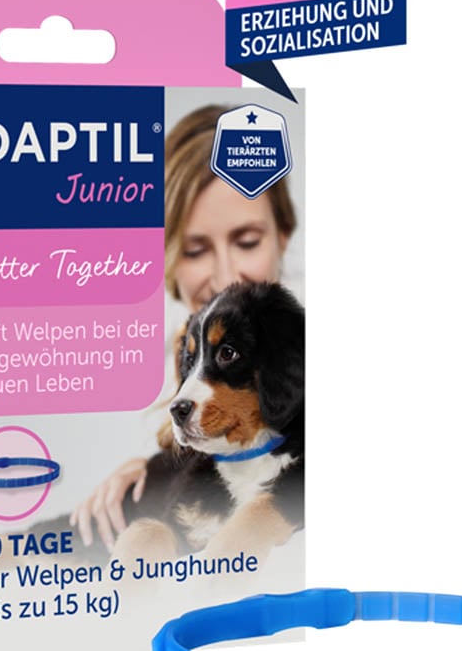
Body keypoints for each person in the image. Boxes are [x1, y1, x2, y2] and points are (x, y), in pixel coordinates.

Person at [69, 104, 298, 549]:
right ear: (168, 261)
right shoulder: (155, 359)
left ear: (282, 235)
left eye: (247, 241)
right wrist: (153, 475)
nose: (226, 275)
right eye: (195, 250)